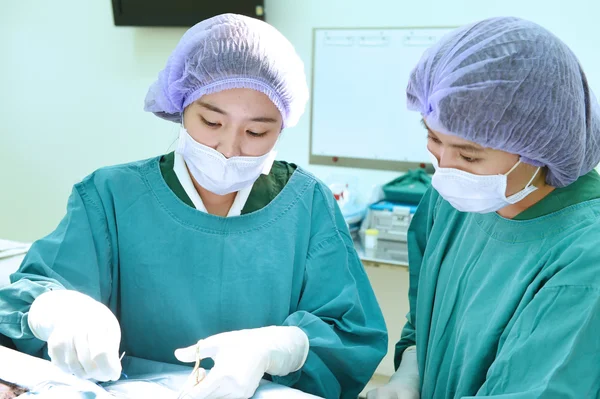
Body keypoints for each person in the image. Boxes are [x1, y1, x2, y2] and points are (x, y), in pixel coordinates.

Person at [0, 14, 388, 399]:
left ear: (282, 127)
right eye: (211, 122)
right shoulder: (110, 196)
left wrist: (282, 347)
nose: (229, 148)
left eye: (256, 131)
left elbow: (350, 334)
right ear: (181, 106)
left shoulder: (307, 205)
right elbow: (27, 298)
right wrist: (55, 311)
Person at [368, 16, 600, 398]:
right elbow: (424, 316)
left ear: (541, 148)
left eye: (470, 155)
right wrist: (411, 367)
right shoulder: (449, 202)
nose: (444, 166)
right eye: (433, 138)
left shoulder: (584, 258)